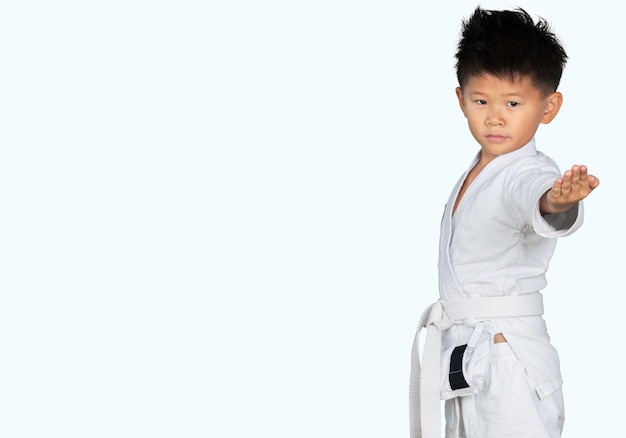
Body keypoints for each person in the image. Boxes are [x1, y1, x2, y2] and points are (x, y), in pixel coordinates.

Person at [409, 7, 599, 438]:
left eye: (513, 103)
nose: (495, 116)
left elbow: (537, 199)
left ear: (548, 107)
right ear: (461, 100)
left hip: (506, 358)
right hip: (467, 354)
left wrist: (557, 200)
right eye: (481, 101)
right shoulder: (477, 170)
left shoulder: (527, 172)